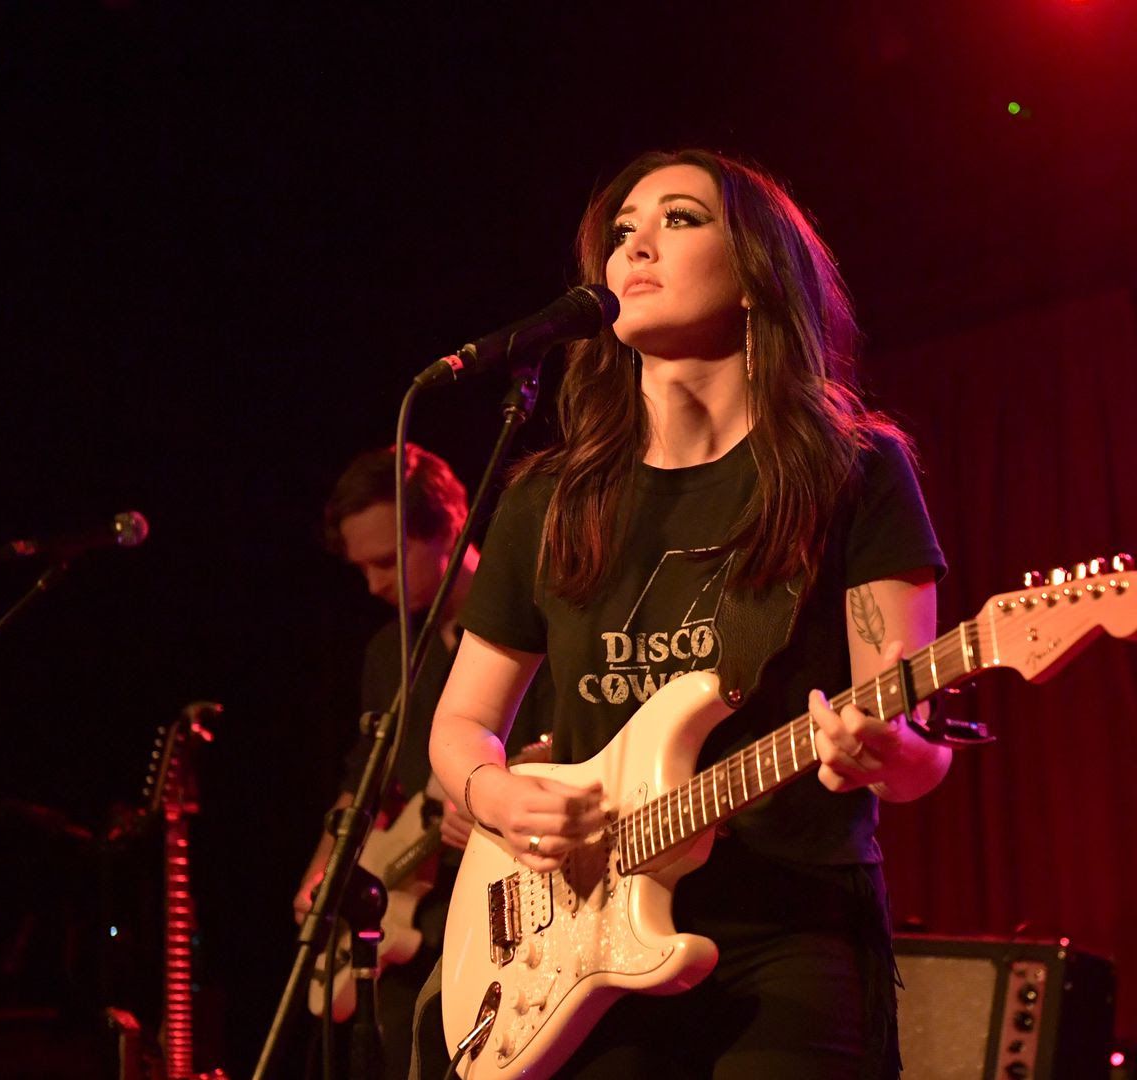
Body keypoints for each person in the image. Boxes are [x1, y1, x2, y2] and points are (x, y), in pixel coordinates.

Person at [427, 149, 949, 1079]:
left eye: (679, 218)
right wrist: (495, 796)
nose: (636, 246)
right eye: (622, 230)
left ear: (755, 272)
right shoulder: (547, 498)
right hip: (577, 939)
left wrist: (887, 754)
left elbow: (912, 748)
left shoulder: (853, 472)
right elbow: (461, 723)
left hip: (790, 927)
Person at [295, 444, 548, 1080]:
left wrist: (497, 794)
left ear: (450, 525)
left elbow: (573, 746)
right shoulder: (390, 651)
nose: (374, 584)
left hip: (517, 913)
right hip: (415, 932)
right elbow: (364, 779)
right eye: (362, 568)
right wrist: (325, 872)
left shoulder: (537, 615)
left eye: (387, 561)